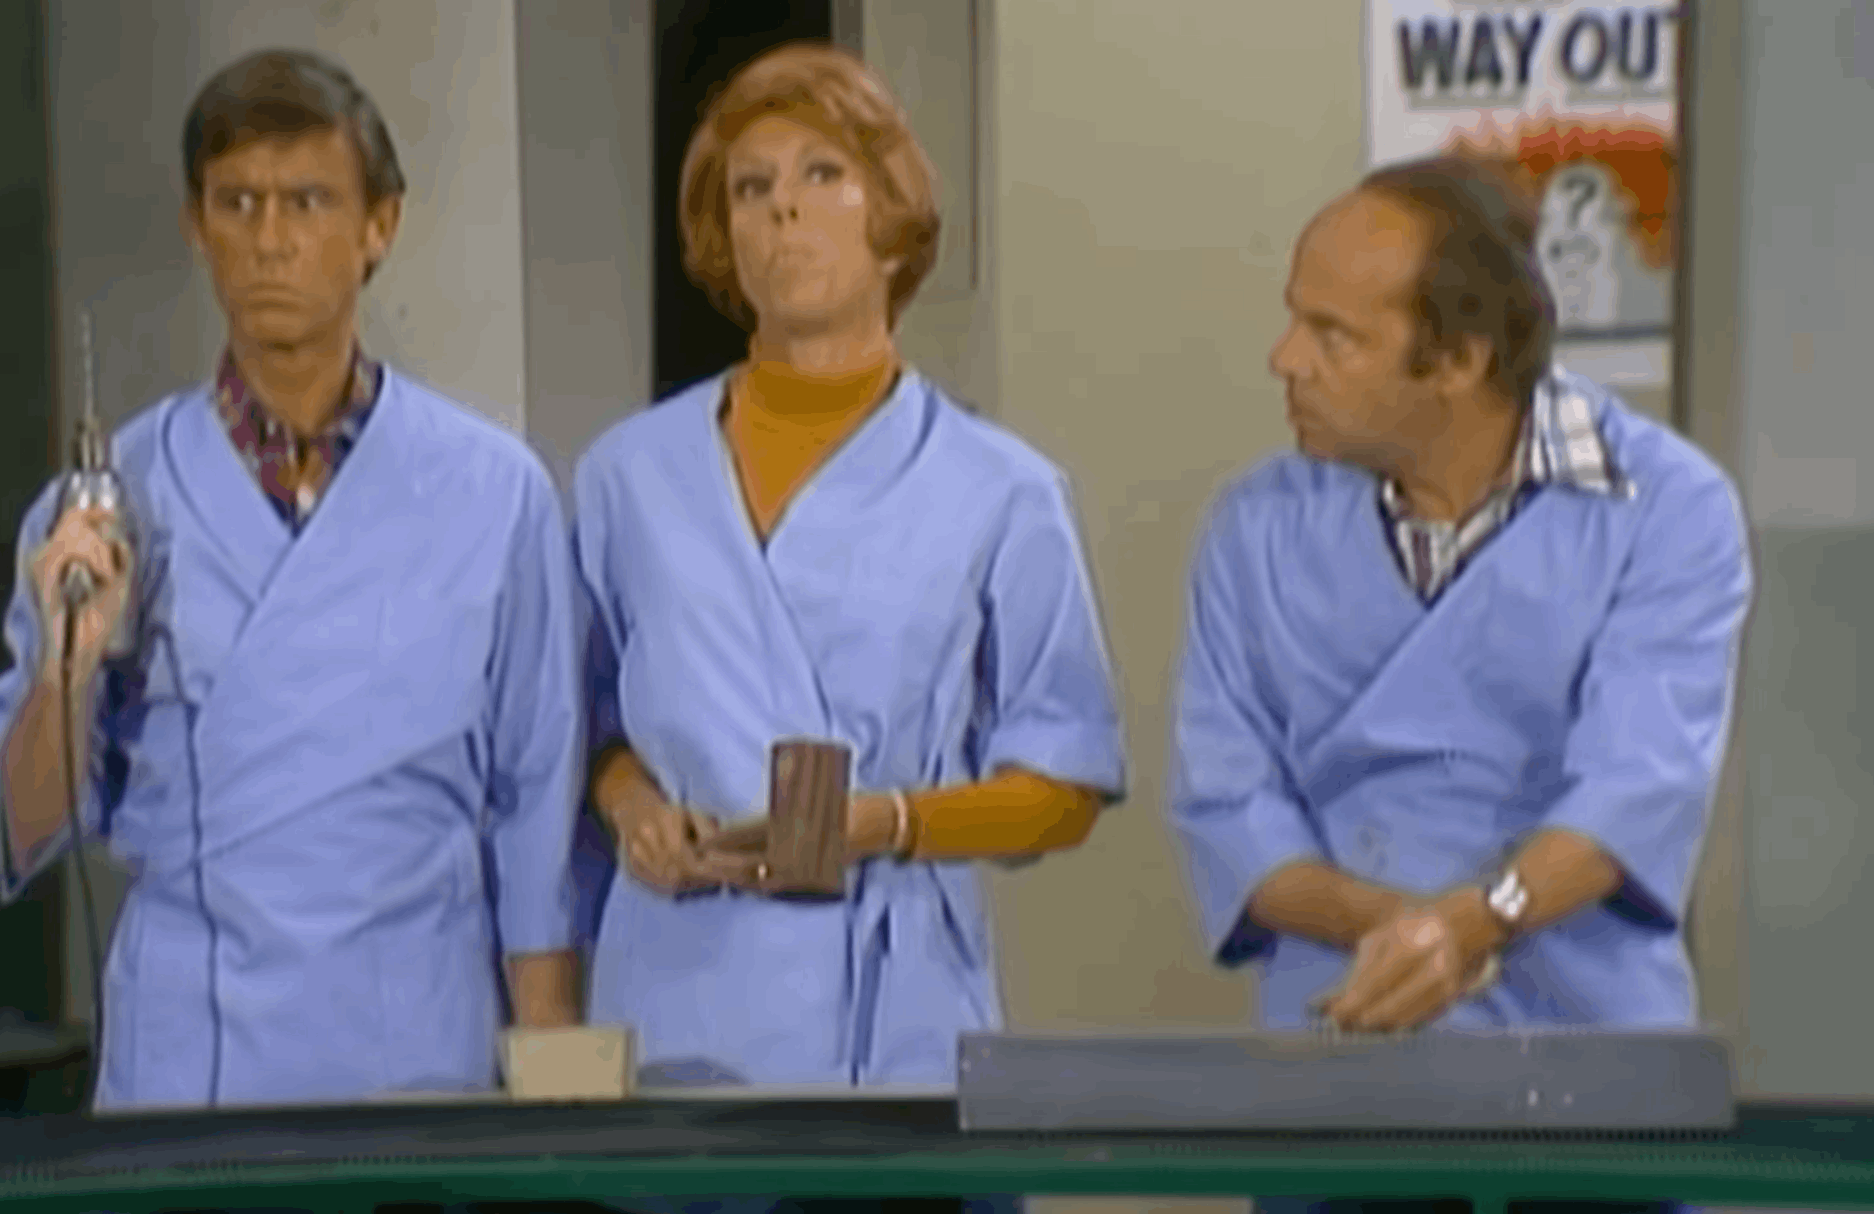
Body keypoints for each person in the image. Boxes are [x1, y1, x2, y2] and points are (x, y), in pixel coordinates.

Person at [573, 38, 1124, 1214]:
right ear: (721, 235)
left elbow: (1065, 783)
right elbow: (583, 726)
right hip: (680, 1010)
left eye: (821, 174)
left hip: (896, 1024)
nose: (782, 210)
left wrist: (890, 822)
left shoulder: (1000, 489)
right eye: (750, 187)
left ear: (891, 214)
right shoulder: (628, 475)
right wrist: (632, 810)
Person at [0, 49, 582, 1112]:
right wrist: (64, 673)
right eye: (239, 203)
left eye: (307, 202)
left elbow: (536, 809)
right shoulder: (110, 503)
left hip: (420, 1057)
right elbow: (22, 828)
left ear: (379, 226)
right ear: (196, 225)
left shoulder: (496, 493)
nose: (269, 239)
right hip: (192, 1067)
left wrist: (553, 1097)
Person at [1167, 157, 1750, 1214]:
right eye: (1294, 319)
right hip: (1342, 1082)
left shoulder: (1669, 509)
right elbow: (1229, 807)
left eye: (1331, 334)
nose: (1283, 358)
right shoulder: (1252, 528)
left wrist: (1474, 925)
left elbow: (1636, 787)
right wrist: (1403, 930)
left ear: (1458, 360)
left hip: (1592, 1087)